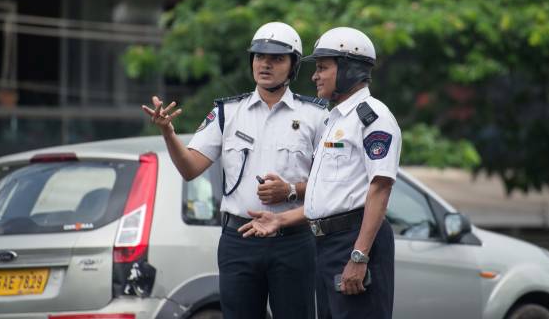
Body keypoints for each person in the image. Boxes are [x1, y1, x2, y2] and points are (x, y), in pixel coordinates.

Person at [141, 22, 328, 319]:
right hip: (239, 240)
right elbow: (190, 168)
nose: (265, 63)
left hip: (293, 240)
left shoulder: (316, 116)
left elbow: (329, 184)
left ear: (293, 66)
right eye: (259, 56)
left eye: (277, 58)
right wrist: (168, 133)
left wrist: (291, 189)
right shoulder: (228, 112)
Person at [239, 27, 402, 319]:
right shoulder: (333, 119)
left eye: (323, 68)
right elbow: (327, 197)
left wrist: (359, 255)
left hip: (353, 242)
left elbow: (380, 189)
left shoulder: (372, 117)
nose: (315, 76)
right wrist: (280, 218)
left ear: (350, 69)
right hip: (326, 244)